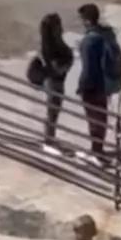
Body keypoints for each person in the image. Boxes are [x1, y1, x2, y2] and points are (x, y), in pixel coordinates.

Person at [74, 3, 121, 167]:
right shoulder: (107, 34)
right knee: (101, 118)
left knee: (93, 119)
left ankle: (96, 153)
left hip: (93, 86)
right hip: (105, 84)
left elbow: (88, 69)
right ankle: (98, 150)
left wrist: (82, 87)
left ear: (87, 21)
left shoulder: (89, 42)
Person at [29, 13, 74, 157]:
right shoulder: (49, 47)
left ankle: (50, 138)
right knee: (52, 111)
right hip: (54, 81)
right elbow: (56, 67)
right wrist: (67, 63)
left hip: (57, 80)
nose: (61, 27)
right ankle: (48, 140)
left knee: (54, 111)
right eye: (58, 25)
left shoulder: (54, 43)